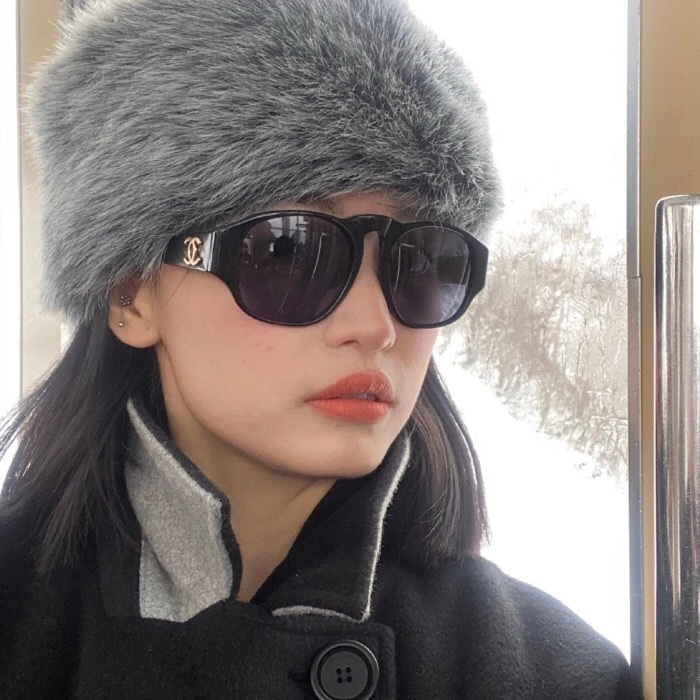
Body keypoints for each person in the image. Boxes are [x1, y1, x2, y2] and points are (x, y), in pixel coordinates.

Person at [0, 0, 642, 697]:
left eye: (422, 260)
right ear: (130, 295)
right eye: (288, 251)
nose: (374, 325)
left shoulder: (550, 676)